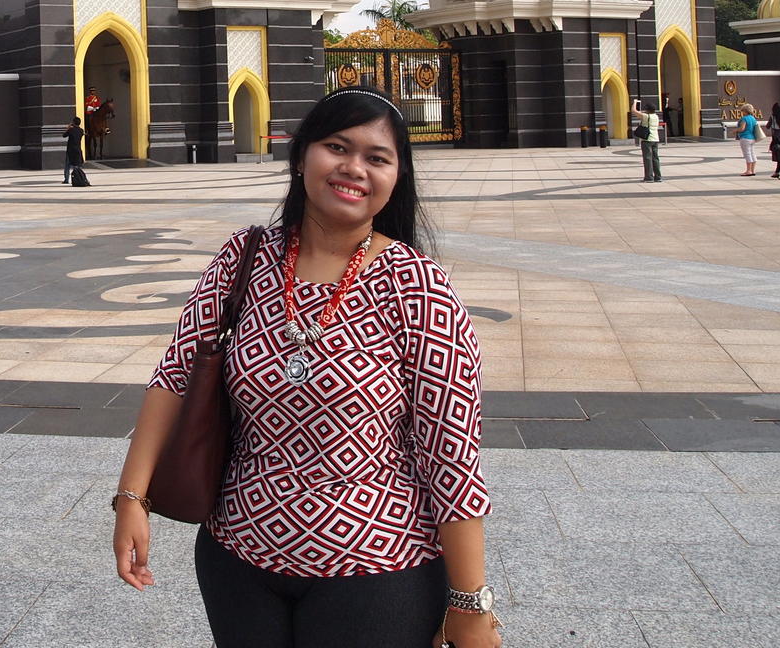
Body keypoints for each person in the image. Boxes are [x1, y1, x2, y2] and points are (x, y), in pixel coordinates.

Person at [112, 88, 499, 648]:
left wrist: (469, 602)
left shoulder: (417, 287)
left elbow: (452, 456)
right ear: (300, 157)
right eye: (336, 147)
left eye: (377, 157)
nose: (353, 168)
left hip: (377, 569)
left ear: (397, 177)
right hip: (238, 558)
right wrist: (131, 498)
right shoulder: (243, 258)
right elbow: (174, 377)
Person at [630, 99, 662, 183]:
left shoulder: (646, 116)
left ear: (647, 110)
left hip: (647, 140)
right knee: (655, 158)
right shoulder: (656, 116)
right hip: (655, 139)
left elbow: (633, 110)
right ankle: (658, 176)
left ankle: (649, 177)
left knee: (647, 158)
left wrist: (635, 102)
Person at [734, 103, 761, 176]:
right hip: (752, 138)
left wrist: (735, 130)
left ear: (745, 111)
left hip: (745, 138)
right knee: (752, 153)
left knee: (747, 154)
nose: (742, 113)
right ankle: (752, 170)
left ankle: (748, 170)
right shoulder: (753, 118)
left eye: (742, 111)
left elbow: (742, 128)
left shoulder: (744, 118)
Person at [63, 115, 84, 184]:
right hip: (78, 149)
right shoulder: (81, 131)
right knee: (77, 165)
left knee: (67, 165)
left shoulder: (71, 130)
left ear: (73, 123)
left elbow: (64, 135)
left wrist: (68, 128)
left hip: (70, 150)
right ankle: (79, 177)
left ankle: (66, 179)